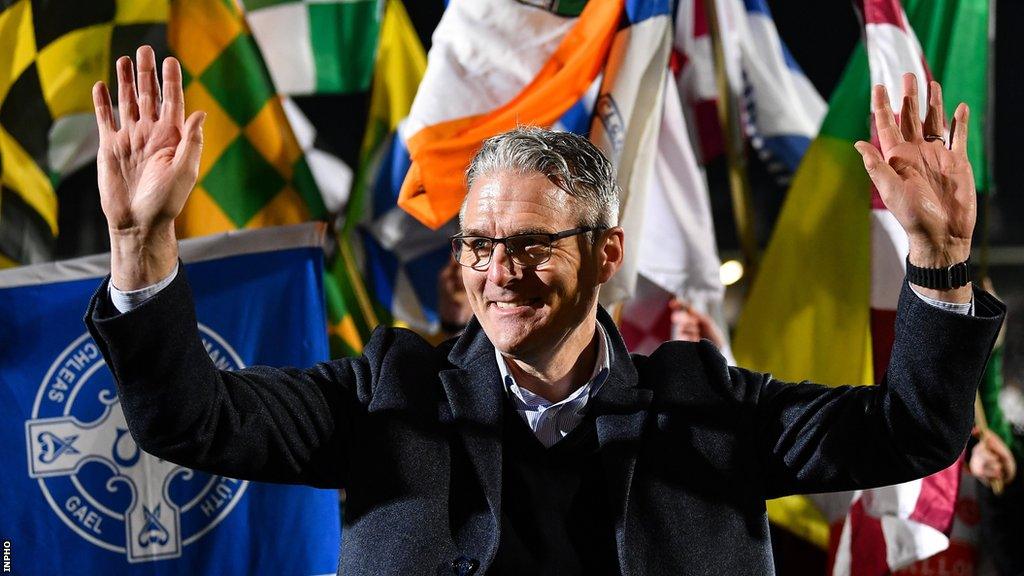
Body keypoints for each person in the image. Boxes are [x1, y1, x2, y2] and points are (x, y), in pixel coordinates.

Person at [86, 46, 1004, 575]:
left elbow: (914, 432)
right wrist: (139, 242)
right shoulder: (386, 393)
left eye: (531, 244)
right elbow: (190, 420)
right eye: (479, 245)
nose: (499, 271)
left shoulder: (710, 402)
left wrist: (937, 259)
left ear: (607, 253)